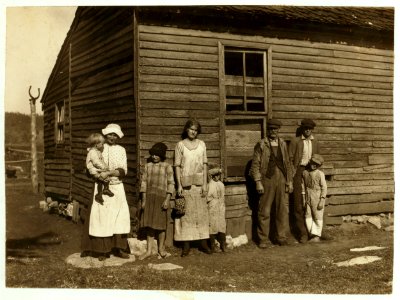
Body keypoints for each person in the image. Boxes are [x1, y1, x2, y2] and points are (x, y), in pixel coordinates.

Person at [81, 123, 131, 261]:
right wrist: (97, 174)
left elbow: (123, 170)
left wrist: (109, 172)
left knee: (119, 217)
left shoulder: (121, 150)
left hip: (117, 186)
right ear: (105, 134)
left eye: (115, 135)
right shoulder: (98, 147)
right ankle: (102, 250)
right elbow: (90, 164)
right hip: (101, 187)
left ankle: (119, 248)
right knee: (101, 218)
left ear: (118, 136)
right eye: (110, 134)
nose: (112, 137)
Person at [249, 118, 293, 248]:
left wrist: (289, 181)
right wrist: (258, 182)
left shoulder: (283, 144)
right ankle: (263, 239)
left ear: (278, 130)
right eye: (271, 129)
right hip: (267, 179)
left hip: (282, 179)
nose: (273, 131)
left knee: (282, 210)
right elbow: (255, 165)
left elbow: (288, 164)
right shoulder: (261, 144)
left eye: (275, 129)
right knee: (265, 210)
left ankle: (281, 237)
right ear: (267, 130)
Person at [174, 119, 212, 257]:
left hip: (199, 184)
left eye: (196, 130)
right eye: (191, 129)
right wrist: (178, 185)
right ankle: (186, 245)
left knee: (201, 214)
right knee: (187, 214)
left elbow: (205, 164)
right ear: (186, 130)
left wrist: (205, 184)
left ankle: (203, 242)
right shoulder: (180, 145)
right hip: (185, 184)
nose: (193, 132)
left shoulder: (202, 144)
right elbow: (177, 166)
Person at [139, 142, 174, 260]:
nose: (154, 156)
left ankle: (161, 250)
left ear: (162, 155)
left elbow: (171, 183)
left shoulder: (167, 166)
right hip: (149, 198)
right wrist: (144, 199)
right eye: (153, 154)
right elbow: (143, 183)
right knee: (150, 225)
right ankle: (149, 251)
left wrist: (167, 199)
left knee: (161, 226)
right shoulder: (147, 166)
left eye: (157, 154)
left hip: (161, 198)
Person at [289, 118, 321, 243]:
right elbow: (290, 159)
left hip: (311, 171)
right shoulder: (295, 141)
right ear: (302, 129)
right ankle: (303, 233)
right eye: (306, 128)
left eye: (310, 128)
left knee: (313, 201)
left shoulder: (315, 142)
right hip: (298, 172)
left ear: (312, 129)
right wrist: (292, 175)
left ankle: (316, 232)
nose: (308, 130)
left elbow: (319, 158)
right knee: (298, 202)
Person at [302, 154, 327, 243]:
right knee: (308, 215)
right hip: (308, 195)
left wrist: (322, 200)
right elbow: (303, 186)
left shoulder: (320, 174)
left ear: (319, 165)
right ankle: (311, 234)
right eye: (313, 163)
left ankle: (317, 236)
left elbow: (324, 188)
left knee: (317, 216)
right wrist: (304, 199)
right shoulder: (305, 173)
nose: (314, 165)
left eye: (316, 164)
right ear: (310, 162)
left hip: (317, 196)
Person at [85, 133, 114, 205]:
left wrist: (105, 165)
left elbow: (101, 160)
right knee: (101, 179)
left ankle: (104, 190)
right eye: (102, 144)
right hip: (93, 170)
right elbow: (96, 162)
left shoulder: (97, 151)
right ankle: (100, 194)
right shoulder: (92, 152)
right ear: (96, 145)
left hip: (97, 169)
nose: (103, 145)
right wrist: (103, 167)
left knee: (104, 178)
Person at [207, 168, 227, 253]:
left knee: (222, 224)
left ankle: (223, 244)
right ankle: (213, 245)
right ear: (212, 176)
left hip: (220, 205)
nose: (217, 177)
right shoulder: (209, 185)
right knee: (212, 225)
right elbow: (207, 197)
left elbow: (223, 196)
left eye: (218, 175)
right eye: (215, 176)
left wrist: (222, 204)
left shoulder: (221, 184)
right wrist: (211, 202)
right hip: (212, 205)